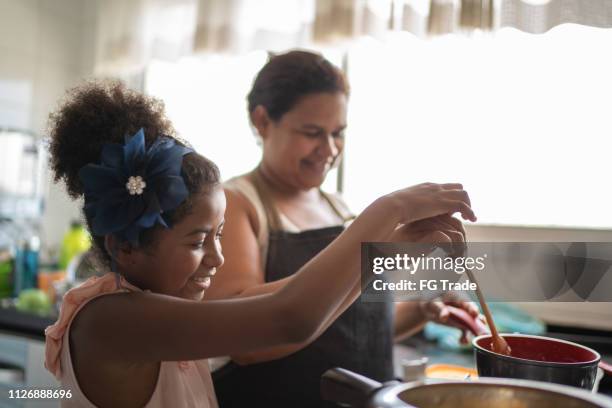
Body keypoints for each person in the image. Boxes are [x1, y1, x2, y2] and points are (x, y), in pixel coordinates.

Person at [43, 80, 476, 407]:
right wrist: (389, 209)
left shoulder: (158, 306)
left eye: (218, 234)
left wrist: (389, 251)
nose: (217, 256)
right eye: (198, 240)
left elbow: (292, 297)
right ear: (125, 246)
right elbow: (289, 316)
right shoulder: (113, 321)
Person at [206, 50, 479, 407]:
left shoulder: (340, 209)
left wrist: (420, 311)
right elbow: (242, 340)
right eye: (312, 133)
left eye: (339, 133)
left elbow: (349, 328)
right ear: (262, 121)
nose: (329, 149)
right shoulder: (238, 204)